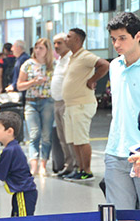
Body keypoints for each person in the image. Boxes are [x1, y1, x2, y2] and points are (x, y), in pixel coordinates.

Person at [103, 12, 140, 221]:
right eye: (113, 38)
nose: (117, 44)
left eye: (122, 38)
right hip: (115, 152)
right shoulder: (114, 67)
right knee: (122, 217)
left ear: (138, 36)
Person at [62, 27, 109, 181]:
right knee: (74, 140)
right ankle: (80, 168)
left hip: (81, 104)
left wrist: (92, 80)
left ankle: (87, 171)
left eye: (69, 36)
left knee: (81, 139)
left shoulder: (85, 56)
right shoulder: (73, 57)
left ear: (77, 40)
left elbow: (104, 65)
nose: (65, 39)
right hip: (71, 105)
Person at [16, 38, 55, 176]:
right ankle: (33, 165)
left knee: (46, 134)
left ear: (47, 50)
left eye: (41, 48)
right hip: (31, 101)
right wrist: (33, 82)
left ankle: (43, 164)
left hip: (48, 101)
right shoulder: (28, 64)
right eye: (36, 47)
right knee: (34, 133)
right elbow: (19, 85)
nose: (37, 51)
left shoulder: (53, 65)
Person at [51, 33, 77, 178]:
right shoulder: (59, 60)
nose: (56, 46)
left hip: (67, 102)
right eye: (55, 43)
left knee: (70, 136)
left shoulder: (71, 59)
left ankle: (76, 165)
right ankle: (68, 164)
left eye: (60, 43)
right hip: (57, 102)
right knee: (62, 136)